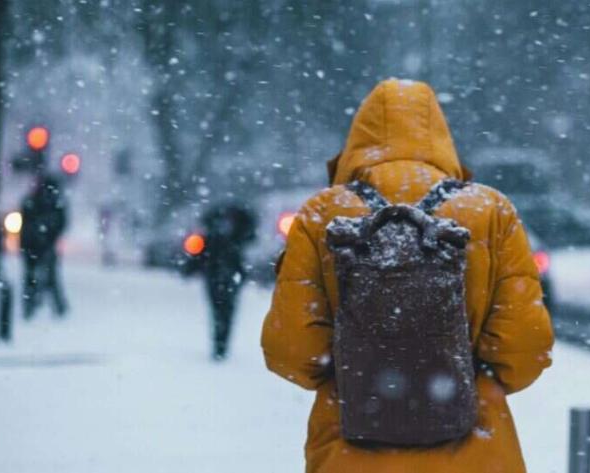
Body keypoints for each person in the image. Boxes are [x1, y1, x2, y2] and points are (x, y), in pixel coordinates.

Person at [261, 79, 554, 472]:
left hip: (348, 449)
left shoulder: (322, 214)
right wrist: (456, 378)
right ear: (440, 136)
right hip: (476, 452)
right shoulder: (490, 210)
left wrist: (361, 373)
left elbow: (291, 352)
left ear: (358, 140)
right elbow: (524, 350)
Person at [183, 203, 255, 361]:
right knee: (225, 311)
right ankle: (221, 344)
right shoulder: (237, 234)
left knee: (219, 310)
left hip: (217, 275)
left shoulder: (214, 233)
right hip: (226, 276)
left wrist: (190, 269)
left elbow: (199, 254)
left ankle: (219, 344)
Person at [20, 175, 68, 319]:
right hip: (41, 245)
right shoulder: (54, 203)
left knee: (33, 276)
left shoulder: (33, 200)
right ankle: (57, 307)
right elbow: (61, 223)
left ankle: (31, 306)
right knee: (49, 277)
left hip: (33, 245)